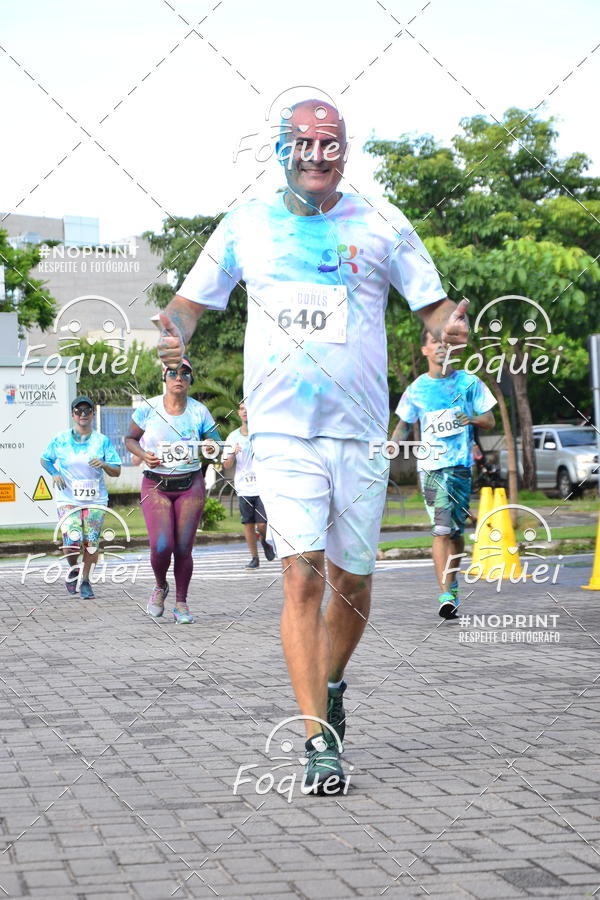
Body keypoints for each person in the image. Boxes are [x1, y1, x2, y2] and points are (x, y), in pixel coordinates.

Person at [155, 99, 469, 791]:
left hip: (359, 432)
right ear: (281, 150)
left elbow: (432, 305)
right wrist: (172, 330)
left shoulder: (382, 222)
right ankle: (318, 742)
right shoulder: (246, 224)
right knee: (301, 574)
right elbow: (189, 303)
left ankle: (329, 686)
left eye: (331, 146)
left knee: (353, 583)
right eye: (306, 144)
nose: (318, 156)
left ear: (345, 154)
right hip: (281, 430)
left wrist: (451, 325)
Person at [393, 329, 496, 618]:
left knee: (455, 531)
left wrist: (470, 418)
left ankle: (452, 583)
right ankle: (445, 594)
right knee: (440, 528)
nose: (441, 347)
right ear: (425, 350)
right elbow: (403, 424)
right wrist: (390, 448)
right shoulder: (416, 389)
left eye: (445, 343)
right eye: (434, 343)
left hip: (461, 467)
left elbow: (489, 419)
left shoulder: (469, 382)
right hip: (430, 468)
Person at [125, 358, 221, 624]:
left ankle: (181, 603)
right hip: (155, 484)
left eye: (185, 374)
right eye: (173, 373)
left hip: (190, 484)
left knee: (182, 547)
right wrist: (144, 454)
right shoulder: (149, 408)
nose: (179, 378)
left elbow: (216, 442)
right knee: (162, 544)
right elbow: (129, 439)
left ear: (190, 380)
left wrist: (210, 445)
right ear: (164, 378)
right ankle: (159, 586)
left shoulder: (199, 411)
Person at [40, 395, 122, 599]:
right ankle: (73, 569)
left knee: (91, 542)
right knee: (71, 542)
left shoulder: (101, 441)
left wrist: (103, 464)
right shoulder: (60, 439)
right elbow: (45, 459)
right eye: (78, 411)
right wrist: (55, 472)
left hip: (95, 500)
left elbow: (117, 470)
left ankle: (85, 580)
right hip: (68, 498)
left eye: (87, 411)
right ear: (72, 414)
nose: (82, 415)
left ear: (93, 414)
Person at [222, 401, 275, 569]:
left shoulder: (262, 434)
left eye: (248, 409)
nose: (245, 412)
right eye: (242, 409)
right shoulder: (233, 437)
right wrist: (232, 453)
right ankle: (254, 557)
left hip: (261, 487)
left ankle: (266, 543)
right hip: (244, 488)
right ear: (238, 413)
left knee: (262, 524)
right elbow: (226, 465)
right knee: (248, 525)